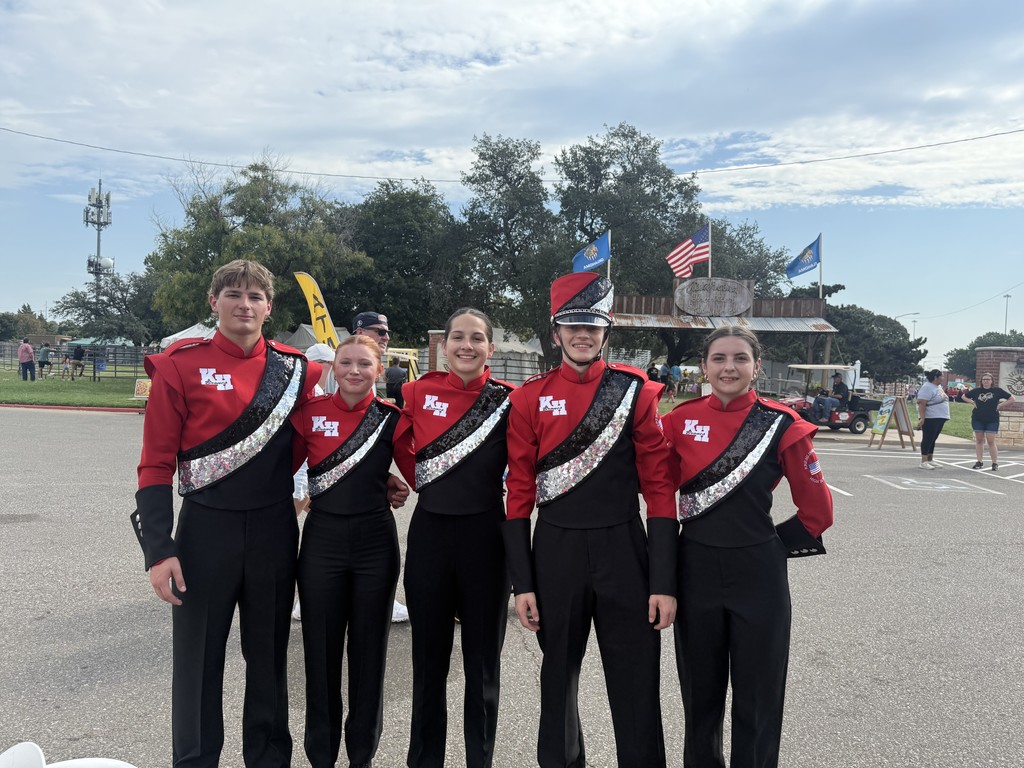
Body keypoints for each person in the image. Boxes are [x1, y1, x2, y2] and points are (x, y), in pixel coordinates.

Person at [131, 259, 322, 768]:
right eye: (233, 294)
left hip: (273, 531)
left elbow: (326, 438)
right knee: (197, 663)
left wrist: (383, 475)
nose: (245, 304)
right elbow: (154, 465)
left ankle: (268, 759)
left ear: (269, 307)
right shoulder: (178, 364)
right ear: (213, 302)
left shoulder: (297, 370)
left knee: (269, 661)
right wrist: (158, 549)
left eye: (256, 296)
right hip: (203, 533)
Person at [504, 272, 678, 768]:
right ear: (556, 330)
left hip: (624, 547)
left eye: (594, 326)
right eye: (572, 325)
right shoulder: (528, 398)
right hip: (556, 549)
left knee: (637, 677)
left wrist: (663, 580)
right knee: (557, 676)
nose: (583, 335)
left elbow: (660, 490)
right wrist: (523, 583)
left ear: (607, 332)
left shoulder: (636, 393)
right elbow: (518, 491)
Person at [663, 325, 834, 768]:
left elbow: (818, 512)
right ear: (704, 366)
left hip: (759, 574)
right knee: (700, 694)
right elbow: (656, 494)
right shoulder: (678, 422)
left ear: (756, 366)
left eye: (740, 358)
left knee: (758, 697)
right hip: (694, 566)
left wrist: (773, 548)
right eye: (719, 358)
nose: (729, 367)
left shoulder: (782, 424)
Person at [392, 307, 515, 768]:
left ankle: (478, 760)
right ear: (443, 345)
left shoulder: (509, 399)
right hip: (431, 536)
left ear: (490, 348)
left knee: (483, 665)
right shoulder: (417, 392)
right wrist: (417, 480)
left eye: (477, 338)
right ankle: (425, 760)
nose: (467, 345)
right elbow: (401, 445)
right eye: (458, 337)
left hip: (487, 537)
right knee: (429, 662)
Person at [295, 335, 410, 768]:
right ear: (333, 367)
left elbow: (419, 470)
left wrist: (391, 483)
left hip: (374, 546)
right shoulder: (309, 414)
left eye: (365, 364)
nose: (355, 371)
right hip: (322, 543)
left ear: (379, 371)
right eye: (346, 362)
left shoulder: (393, 418)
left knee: (369, 654)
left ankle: (362, 754)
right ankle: (320, 756)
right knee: (320, 653)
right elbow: (278, 468)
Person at [353, 310, 410, 625]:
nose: (386, 336)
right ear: (360, 331)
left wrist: (383, 475)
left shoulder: (373, 377)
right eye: (379, 331)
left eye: (387, 332)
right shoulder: (347, 366)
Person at [963, 372, 1015, 471]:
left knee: (991, 441)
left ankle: (994, 463)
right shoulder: (976, 391)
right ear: (981, 381)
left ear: (992, 381)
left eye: (988, 379)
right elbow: (964, 396)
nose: (986, 381)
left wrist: (1000, 405)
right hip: (978, 418)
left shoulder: (997, 391)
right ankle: (979, 461)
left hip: (992, 419)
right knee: (979, 440)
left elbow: (1012, 399)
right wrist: (972, 402)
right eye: (984, 379)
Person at [915, 369, 950, 470]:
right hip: (931, 417)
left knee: (933, 439)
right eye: (941, 376)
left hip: (939, 417)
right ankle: (924, 461)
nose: (943, 378)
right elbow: (922, 402)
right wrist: (922, 418)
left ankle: (930, 459)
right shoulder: (927, 387)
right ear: (935, 377)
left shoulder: (937, 387)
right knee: (928, 438)